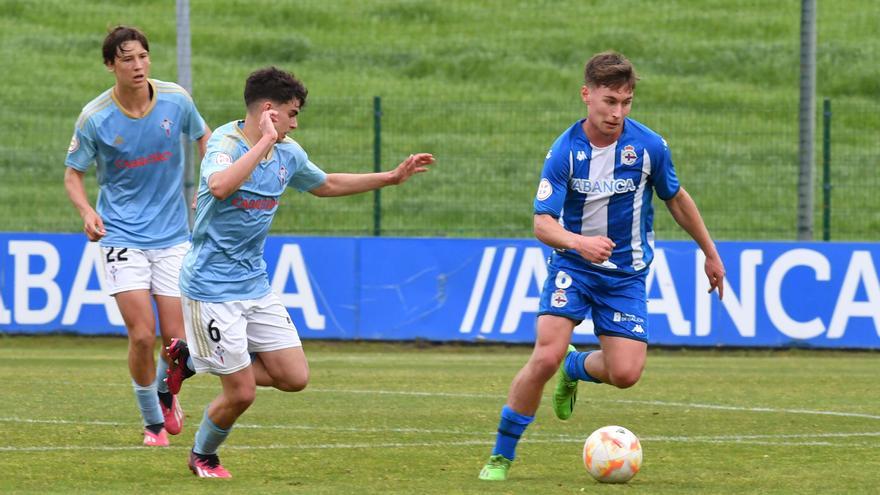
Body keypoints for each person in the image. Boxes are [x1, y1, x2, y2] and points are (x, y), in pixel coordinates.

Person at [170, 66, 434, 478]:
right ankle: (203, 455)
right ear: (269, 111)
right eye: (291, 114)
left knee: (294, 376)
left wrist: (391, 178)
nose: (295, 123)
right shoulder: (225, 142)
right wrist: (265, 144)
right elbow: (220, 186)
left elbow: (325, 183)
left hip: (254, 284)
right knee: (241, 392)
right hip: (210, 288)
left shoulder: (289, 152)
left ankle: (191, 360)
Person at [478, 51, 725, 481]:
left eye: (626, 102)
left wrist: (710, 251)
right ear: (586, 95)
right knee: (545, 356)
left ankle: (576, 368)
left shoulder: (649, 146)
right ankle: (501, 456)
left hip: (626, 276)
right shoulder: (564, 151)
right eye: (610, 101)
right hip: (573, 268)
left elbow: (677, 199)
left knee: (626, 374)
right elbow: (542, 223)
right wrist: (579, 243)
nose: (617, 112)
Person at [64, 25, 211, 447]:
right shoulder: (96, 117)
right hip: (122, 235)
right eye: (127, 58)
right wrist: (87, 210)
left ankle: (166, 393)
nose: (138, 65)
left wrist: (209, 186)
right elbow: (73, 173)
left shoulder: (176, 100)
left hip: (172, 236)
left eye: (143, 56)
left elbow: (206, 138)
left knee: (176, 340)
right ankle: (152, 422)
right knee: (142, 335)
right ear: (111, 65)